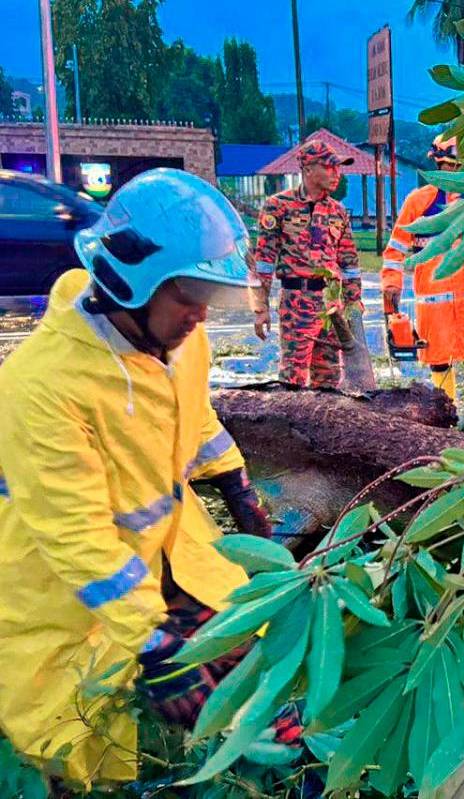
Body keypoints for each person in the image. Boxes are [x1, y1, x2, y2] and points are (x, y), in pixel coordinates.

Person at [0, 170, 277, 789]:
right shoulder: (40, 387)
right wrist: (153, 645)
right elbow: (75, 538)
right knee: (83, 735)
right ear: (130, 282)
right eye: (189, 295)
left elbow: (193, 413)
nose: (201, 316)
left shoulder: (175, 336)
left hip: (167, 555)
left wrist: (234, 484)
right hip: (64, 589)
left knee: (253, 665)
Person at [381, 134, 464, 406]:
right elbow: (395, 248)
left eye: (457, 166)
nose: (452, 172)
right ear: (437, 164)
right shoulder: (417, 202)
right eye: (448, 166)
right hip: (434, 298)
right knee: (438, 359)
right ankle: (448, 414)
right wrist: (391, 284)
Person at [252, 139, 363, 389]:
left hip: (330, 304)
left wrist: (353, 302)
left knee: (330, 377)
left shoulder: (338, 211)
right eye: (330, 167)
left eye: (339, 168)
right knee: (293, 376)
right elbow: (264, 261)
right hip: (296, 301)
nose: (337, 174)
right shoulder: (278, 207)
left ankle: (325, 427)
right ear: (308, 168)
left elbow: (349, 262)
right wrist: (260, 307)